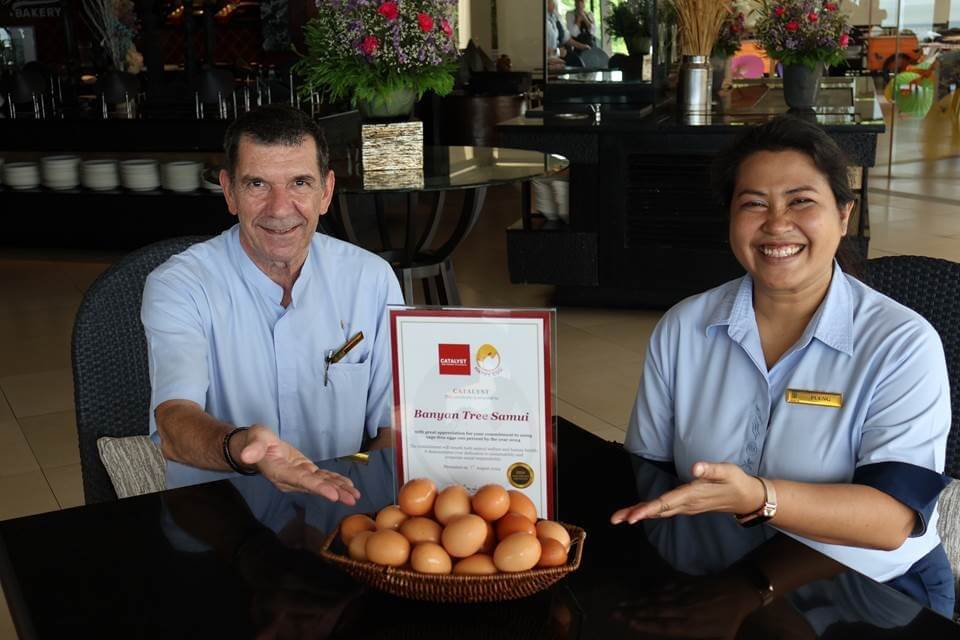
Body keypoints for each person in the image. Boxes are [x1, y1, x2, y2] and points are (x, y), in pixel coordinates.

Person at [610, 115, 955, 617]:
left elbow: (891, 522)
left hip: (869, 590)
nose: (776, 223)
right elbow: (650, 472)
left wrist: (759, 496)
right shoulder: (684, 328)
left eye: (800, 201)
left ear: (843, 214)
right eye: (753, 203)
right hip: (720, 577)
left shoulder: (900, 343)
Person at [142, 104, 403, 502]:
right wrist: (245, 448)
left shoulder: (370, 279)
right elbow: (174, 425)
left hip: (341, 507)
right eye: (257, 184)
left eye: (299, 182)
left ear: (326, 191)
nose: (280, 209)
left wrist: (370, 516)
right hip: (220, 514)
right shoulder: (180, 286)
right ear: (229, 192)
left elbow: (393, 427)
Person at [545, 0, 591, 68]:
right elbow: (573, 33)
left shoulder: (555, 16)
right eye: (551, 1)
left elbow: (566, 38)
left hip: (559, 53)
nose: (554, 3)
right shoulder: (541, 18)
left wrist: (582, 46)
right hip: (549, 56)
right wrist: (557, 52)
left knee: (578, 62)